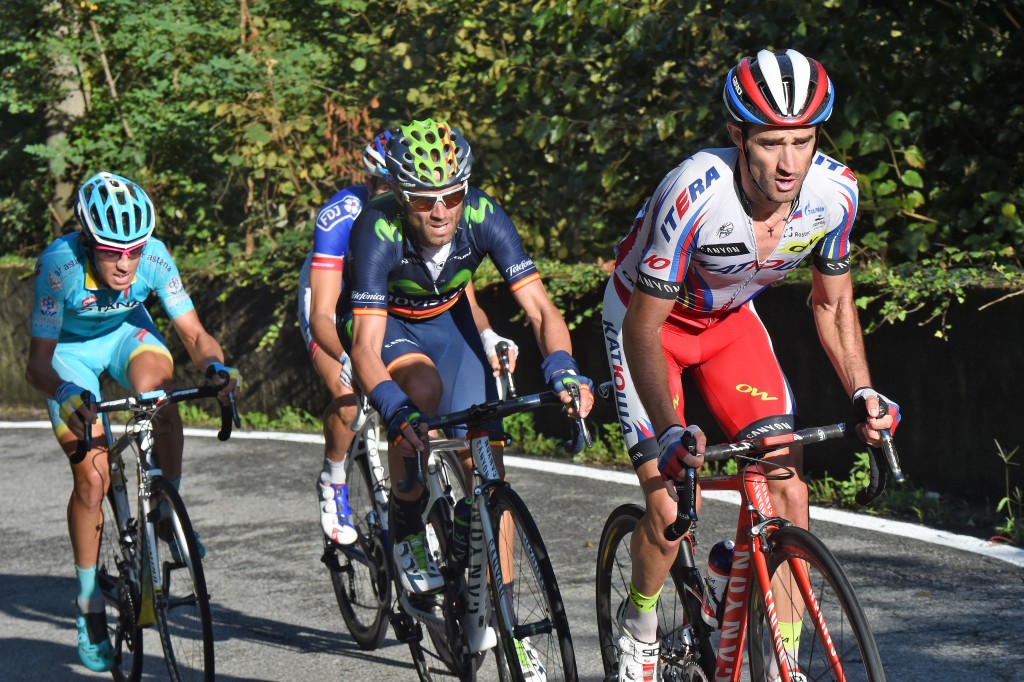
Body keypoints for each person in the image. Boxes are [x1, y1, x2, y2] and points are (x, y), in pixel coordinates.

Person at [601, 49, 901, 682]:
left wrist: (864, 392)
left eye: (803, 141)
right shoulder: (693, 192)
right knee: (669, 504)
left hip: (729, 326)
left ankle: (777, 660)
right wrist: (671, 431)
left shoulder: (836, 193)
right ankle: (640, 622)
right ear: (738, 136)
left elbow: (832, 304)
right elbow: (643, 329)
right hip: (647, 326)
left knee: (788, 484)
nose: (789, 163)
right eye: (770, 143)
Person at [339, 118, 594, 598]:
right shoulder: (377, 226)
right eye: (423, 200)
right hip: (385, 323)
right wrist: (395, 410)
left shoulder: (483, 215)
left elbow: (541, 310)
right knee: (421, 390)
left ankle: (503, 612)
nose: (440, 212)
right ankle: (408, 524)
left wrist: (563, 368)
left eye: (452, 195)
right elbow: (366, 347)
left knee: (488, 467)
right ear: (400, 197)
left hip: (447, 324)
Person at [25, 171, 239, 673]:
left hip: (124, 335)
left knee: (159, 395)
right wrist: (65, 392)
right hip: (68, 354)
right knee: (92, 479)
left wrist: (215, 367)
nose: (125, 263)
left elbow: (194, 334)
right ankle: (88, 603)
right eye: (111, 252)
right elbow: (37, 364)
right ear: (88, 243)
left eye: (134, 250)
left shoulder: (156, 258)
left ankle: (164, 510)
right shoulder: (59, 267)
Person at [302, 131, 519, 546]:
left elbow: (459, 295)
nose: (384, 191)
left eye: (391, 183)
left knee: (443, 413)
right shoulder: (343, 216)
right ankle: (334, 478)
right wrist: (350, 361)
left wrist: (488, 335)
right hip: (340, 302)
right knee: (348, 395)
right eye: (377, 182)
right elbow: (322, 314)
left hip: (401, 308)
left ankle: (440, 512)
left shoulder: (435, 218)